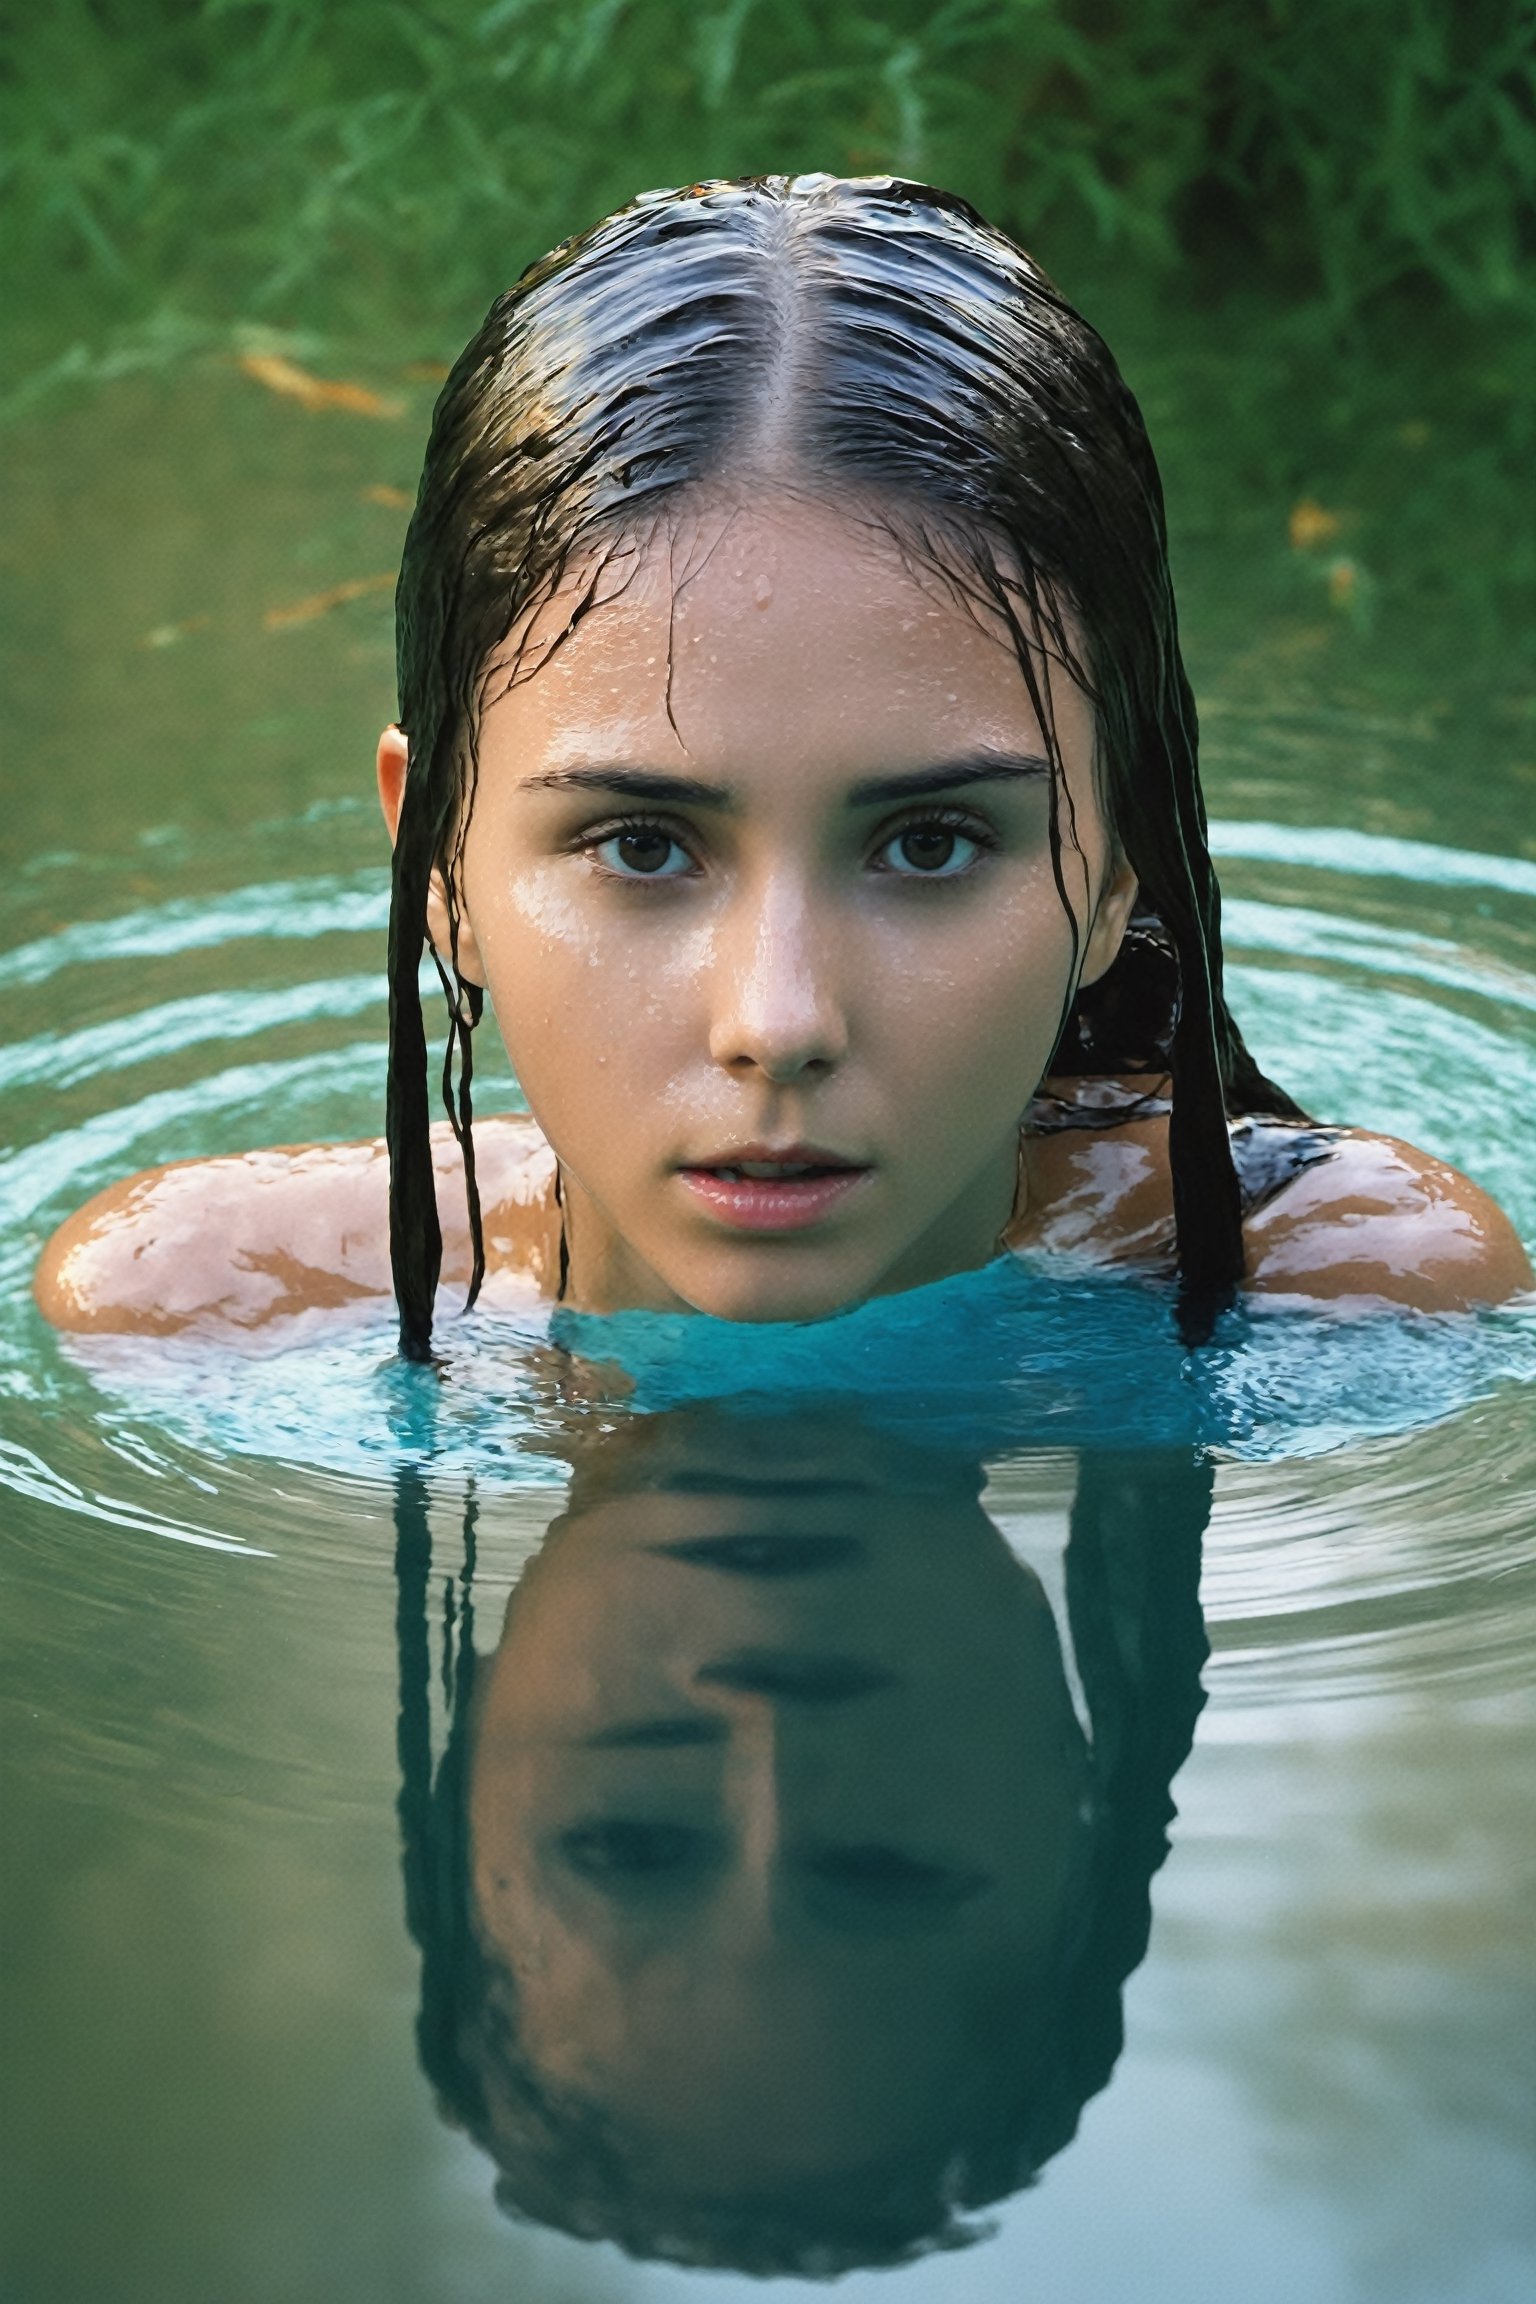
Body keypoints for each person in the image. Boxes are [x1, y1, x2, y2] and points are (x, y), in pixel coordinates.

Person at [33, 176, 1530, 1358]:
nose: (779, 1024)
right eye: (639, 845)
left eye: (933, 843)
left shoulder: (1348, 1286)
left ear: (1113, 874)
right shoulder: (210, 1308)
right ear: (436, 863)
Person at [393, 1398, 1212, 2273]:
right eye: (885, 1867)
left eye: (631, 1845)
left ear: (463, 1751)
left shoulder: (259, 1330)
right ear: (1075, 1768)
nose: (769, 1735)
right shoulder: (1337, 1316)